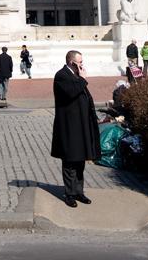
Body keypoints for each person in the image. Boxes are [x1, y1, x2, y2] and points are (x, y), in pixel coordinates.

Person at [51, 50, 100, 208]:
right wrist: (83, 79)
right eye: (79, 62)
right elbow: (71, 92)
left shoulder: (76, 76)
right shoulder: (62, 75)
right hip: (69, 126)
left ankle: (79, 191)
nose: (82, 65)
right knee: (70, 160)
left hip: (81, 125)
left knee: (80, 160)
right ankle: (69, 193)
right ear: (72, 62)